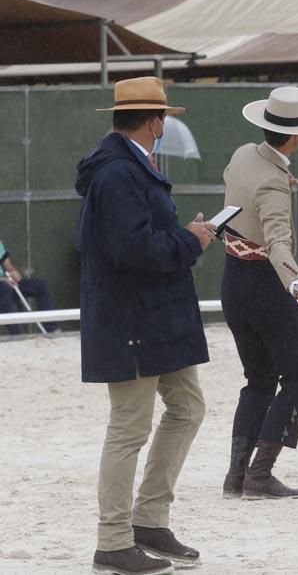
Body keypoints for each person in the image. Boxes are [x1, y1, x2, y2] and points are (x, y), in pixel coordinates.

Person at [76, 77, 216, 575]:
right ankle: (112, 539)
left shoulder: (128, 168)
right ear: (155, 121)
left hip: (156, 316)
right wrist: (190, 242)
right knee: (128, 428)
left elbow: (144, 239)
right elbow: (134, 249)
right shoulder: (117, 175)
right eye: (164, 119)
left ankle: (149, 519)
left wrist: (185, 235)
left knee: (188, 408)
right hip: (132, 318)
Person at [221, 86, 298, 501]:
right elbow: (278, 243)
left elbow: (238, 186)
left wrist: (279, 180)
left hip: (233, 281)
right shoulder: (273, 184)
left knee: (258, 380)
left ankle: (236, 475)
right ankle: (261, 474)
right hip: (266, 286)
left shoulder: (244, 155)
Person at [0, 237, 57, 334]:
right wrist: (3, 280)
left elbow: (7, 264)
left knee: (39, 284)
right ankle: (17, 336)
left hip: (6, 284)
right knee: (4, 288)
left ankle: (51, 329)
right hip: (3, 287)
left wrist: (13, 271)